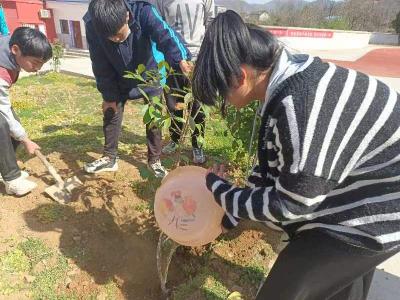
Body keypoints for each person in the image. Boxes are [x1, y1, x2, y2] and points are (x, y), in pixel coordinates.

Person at [192, 10, 400, 300]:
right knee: (341, 285)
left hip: (381, 208)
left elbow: (290, 205)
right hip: (368, 183)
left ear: (240, 77)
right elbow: (277, 166)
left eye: (221, 94)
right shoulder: (289, 76)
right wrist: (231, 213)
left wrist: (221, 192)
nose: (224, 103)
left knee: (283, 292)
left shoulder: (300, 107)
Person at [83, 0, 192, 177]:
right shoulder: (92, 23)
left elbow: (165, 35)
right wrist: (108, 95)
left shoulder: (143, 11)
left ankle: (154, 161)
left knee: (153, 114)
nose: (116, 40)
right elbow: (99, 63)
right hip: (117, 72)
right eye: (110, 38)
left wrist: (181, 59)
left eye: (119, 35)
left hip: (149, 70)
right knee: (111, 109)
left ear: (127, 16)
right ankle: (109, 158)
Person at [151, 0, 215, 164]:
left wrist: (206, 55)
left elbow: (210, 23)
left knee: (198, 107)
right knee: (174, 103)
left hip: (198, 59)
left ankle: (197, 145)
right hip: (173, 59)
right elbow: (158, 25)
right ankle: (175, 138)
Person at [0, 27, 52, 196]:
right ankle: (11, 179)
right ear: (15, 50)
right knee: (2, 124)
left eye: (41, 64)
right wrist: (26, 140)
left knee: (13, 124)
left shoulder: (10, 48)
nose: (37, 68)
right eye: (35, 63)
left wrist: (21, 135)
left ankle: (5, 167)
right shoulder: (1, 71)